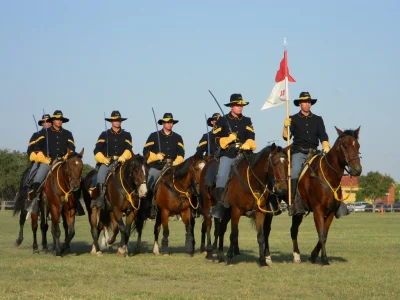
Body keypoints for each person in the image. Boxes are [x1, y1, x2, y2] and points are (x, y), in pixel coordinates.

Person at [283, 91, 348, 218]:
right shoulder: (293, 119)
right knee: (295, 171)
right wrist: (286, 127)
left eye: (308, 102)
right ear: (300, 104)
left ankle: (338, 202)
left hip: (314, 152)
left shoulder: (318, 119)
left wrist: (325, 144)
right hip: (299, 152)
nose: (307, 104)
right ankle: (294, 202)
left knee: (331, 170)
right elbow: (286, 137)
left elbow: (323, 134)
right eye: (304, 102)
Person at [209, 94, 256, 219]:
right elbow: (214, 138)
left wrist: (248, 143)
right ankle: (219, 205)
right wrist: (227, 139)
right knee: (222, 174)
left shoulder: (247, 120)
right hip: (228, 153)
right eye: (237, 105)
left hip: (245, 153)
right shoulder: (222, 120)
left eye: (241, 105)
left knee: (259, 170)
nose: (240, 107)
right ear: (231, 106)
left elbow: (251, 136)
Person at [27, 110, 75, 213]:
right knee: (38, 177)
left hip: (62, 162)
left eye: (60, 119)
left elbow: (71, 148)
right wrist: (43, 158)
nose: (59, 121)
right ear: (53, 120)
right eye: (57, 119)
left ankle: (76, 204)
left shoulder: (68, 133)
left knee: (76, 178)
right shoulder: (44, 132)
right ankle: (35, 202)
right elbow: (36, 146)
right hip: (48, 161)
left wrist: (66, 156)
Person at [143, 113, 185, 218]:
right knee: (149, 183)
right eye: (167, 122)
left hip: (173, 167)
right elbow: (145, 151)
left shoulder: (178, 137)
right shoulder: (153, 136)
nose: (169, 124)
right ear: (163, 123)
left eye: (171, 122)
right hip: (157, 166)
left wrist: (175, 162)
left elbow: (181, 154)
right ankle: (148, 207)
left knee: (186, 182)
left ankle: (189, 207)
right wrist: (156, 156)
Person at [93, 111, 133, 208]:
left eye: (119, 120)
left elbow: (129, 148)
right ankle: (100, 198)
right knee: (101, 173)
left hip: (123, 161)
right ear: (111, 121)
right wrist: (103, 159)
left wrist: (123, 156)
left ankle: (134, 199)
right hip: (108, 162)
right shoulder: (104, 134)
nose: (117, 122)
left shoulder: (127, 134)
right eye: (115, 120)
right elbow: (97, 149)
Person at [26, 114, 52, 201]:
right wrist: (37, 157)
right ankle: (30, 195)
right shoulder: (36, 135)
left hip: (54, 160)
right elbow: (30, 149)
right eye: (46, 122)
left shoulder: (55, 135)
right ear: (42, 124)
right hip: (39, 160)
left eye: (49, 122)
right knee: (32, 177)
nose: (48, 123)